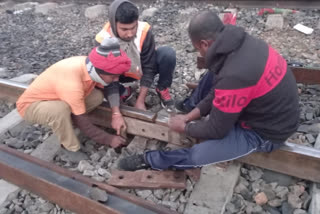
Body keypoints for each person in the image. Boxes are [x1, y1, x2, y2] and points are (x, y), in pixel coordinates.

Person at [118, 11, 300, 171]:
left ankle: (151, 160)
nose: (200, 53)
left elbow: (217, 130)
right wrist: (191, 115)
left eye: (198, 48)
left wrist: (186, 127)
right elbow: (218, 91)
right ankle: (190, 108)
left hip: (265, 132)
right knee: (211, 77)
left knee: (198, 155)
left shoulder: (235, 76)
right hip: (266, 109)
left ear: (205, 44)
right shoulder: (243, 44)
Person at [16, 38, 131, 156]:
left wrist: (116, 113)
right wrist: (109, 139)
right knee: (60, 111)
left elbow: (110, 87)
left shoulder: (91, 66)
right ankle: (70, 148)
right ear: (99, 73)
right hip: (32, 105)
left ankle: (67, 119)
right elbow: (82, 122)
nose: (116, 80)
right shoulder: (72, 84)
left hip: (60, 97)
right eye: (113, 77)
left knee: (97, 96)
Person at [95, 0, 176, 111]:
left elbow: (149, 67)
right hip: (119, 74)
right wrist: (115, 111)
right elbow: (105, 73)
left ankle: (162, 88)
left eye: (133, 28)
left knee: (167, 54)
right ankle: (123, 91)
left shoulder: (144, 31)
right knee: (94, 72)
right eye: (124, 29)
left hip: (140, 69)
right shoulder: (103, 39)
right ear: (114, 24)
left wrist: (140, 100)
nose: (130, 34)